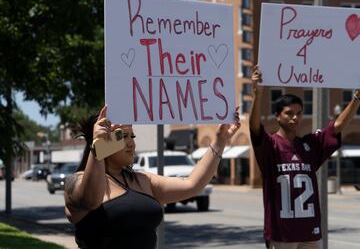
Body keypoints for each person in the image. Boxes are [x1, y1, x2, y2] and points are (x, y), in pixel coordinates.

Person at [64, 105, 241, 249]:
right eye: (122, 136)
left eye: (131, 135)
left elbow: (192, 184)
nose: (131, 142)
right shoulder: (77, 182)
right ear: (99, 139)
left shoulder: (142, 180)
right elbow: (92, 199)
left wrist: (220, 141)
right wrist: (99, 148)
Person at [249, 65, 360, 249]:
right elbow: (255, 128)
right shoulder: (269, 146)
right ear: (277, 117)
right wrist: (258, 93)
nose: (295, 118)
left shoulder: (309, 145)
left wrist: (358, 97)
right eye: (289, 113)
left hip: (310, 232)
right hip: (282, 234)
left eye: (298, 113)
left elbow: (337, 126)